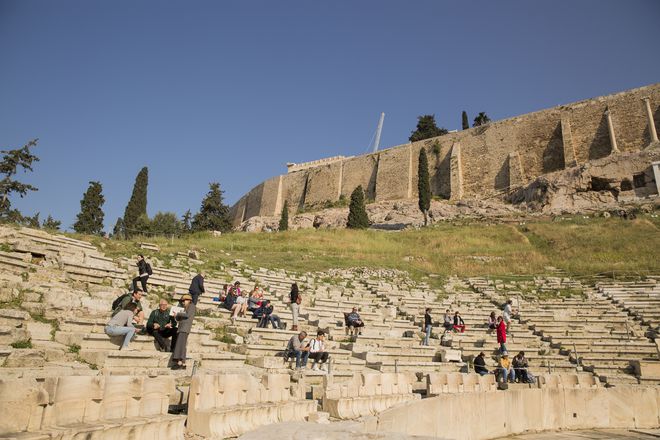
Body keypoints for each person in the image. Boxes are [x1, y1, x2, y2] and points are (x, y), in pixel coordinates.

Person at [172, 294, 196, 369]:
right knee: (182, 345)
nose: (182, 302)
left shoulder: (192, 306)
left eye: (184, 300)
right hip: (182, 328)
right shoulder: (185, 308)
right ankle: (183, 363)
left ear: (188, 300)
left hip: (184, 328)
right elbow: (180, 318)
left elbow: (187, 315)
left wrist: (178, 314)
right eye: (182, 301)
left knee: (181, 345)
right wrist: (176, 316)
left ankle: (180, 362)